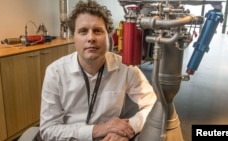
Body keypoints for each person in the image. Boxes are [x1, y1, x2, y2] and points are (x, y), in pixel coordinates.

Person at [39, 1, 156, 141]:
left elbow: (154, 106)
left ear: (109, 36)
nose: (91, 38)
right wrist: (98, 129)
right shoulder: (55, 72)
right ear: (74, 37)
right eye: (83, 31)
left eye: (98, 31)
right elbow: (48, 129)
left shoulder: (126, 68)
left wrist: (127, 128)